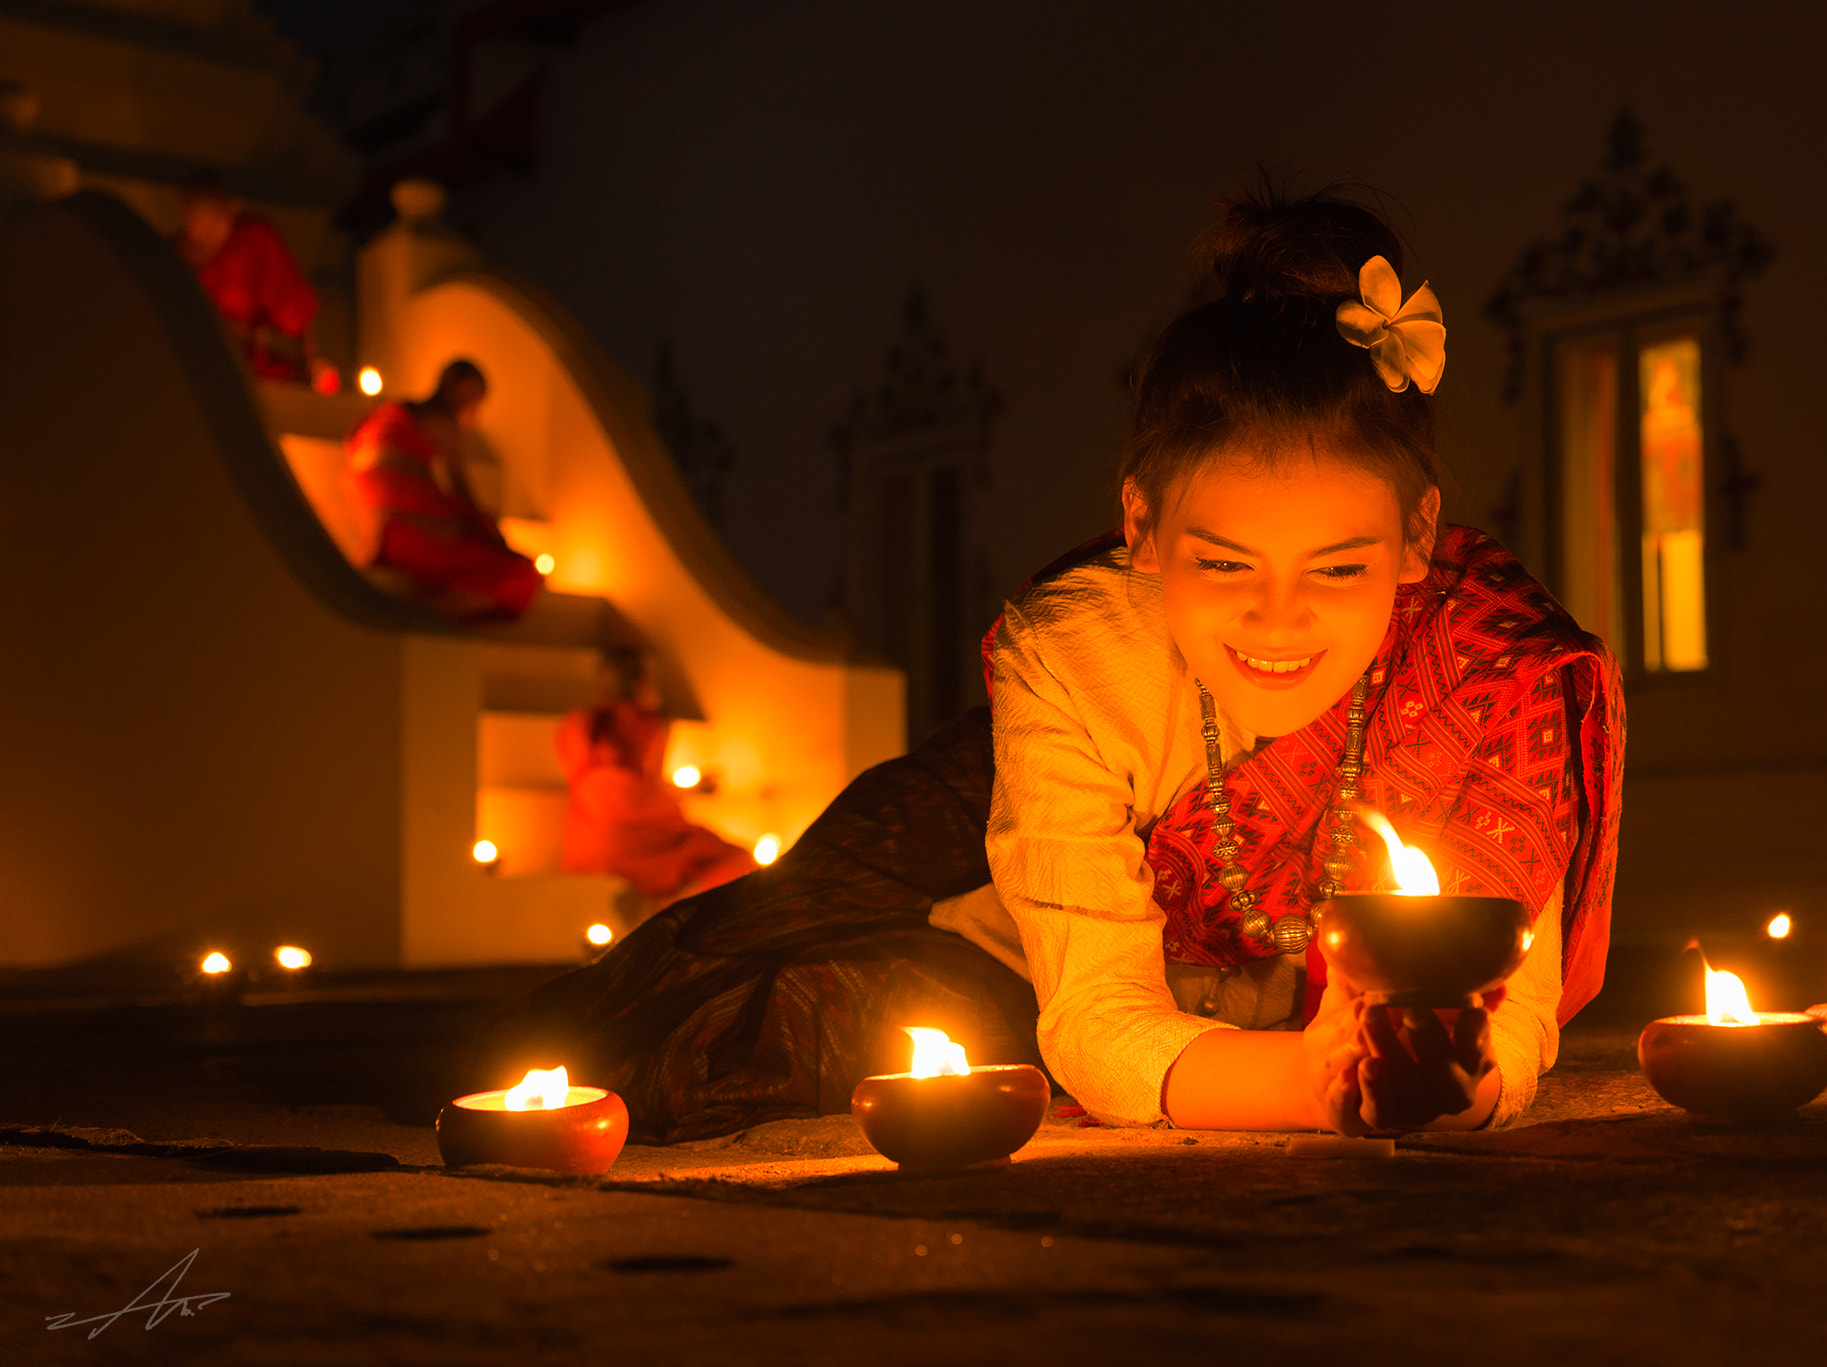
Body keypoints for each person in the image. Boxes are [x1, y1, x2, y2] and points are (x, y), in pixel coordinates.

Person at [474, 183, 1623, 1142]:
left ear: (1416, 537)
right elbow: (1092, 1006)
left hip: (1221, 1008)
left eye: (1334, 570)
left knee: (789, 1046)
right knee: (671, 1039)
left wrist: (1453, 1081)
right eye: (1224, 566)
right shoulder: (1078, 651)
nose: (1279, 624)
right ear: (1141, 528)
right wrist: (1314, 1083)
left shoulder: (1494, 672)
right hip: (1002, 898)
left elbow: (1507, 1013)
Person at [558, 649, 758, 913]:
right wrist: (685, 793)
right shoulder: (644, 723)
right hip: (633, 827)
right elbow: (641, 789)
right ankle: (674, 903)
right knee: (735, 859)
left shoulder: (579, 724)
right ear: (642, 685)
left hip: (587, 838)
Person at [342, 359, 543, 621]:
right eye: (472, 398)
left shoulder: (388, 415)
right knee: (521, 574)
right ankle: (423, 619)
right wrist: (491, 533)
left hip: (385, 529)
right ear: (456, 389)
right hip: (407, 529)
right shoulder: (440, 424)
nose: (472, 408)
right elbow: (461, 489)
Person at [173, 173, 337, 391]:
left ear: (232, 209)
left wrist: (310, 361)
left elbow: (294, 307)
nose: (205, 234)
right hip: (197, 367)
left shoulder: (255, 240)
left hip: (255, 367)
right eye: (197, 222)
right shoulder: (174, 257)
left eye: (214, 221)